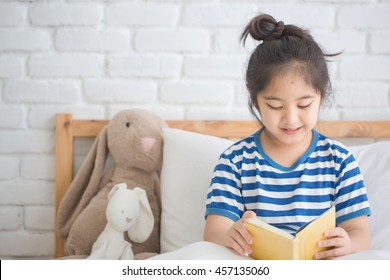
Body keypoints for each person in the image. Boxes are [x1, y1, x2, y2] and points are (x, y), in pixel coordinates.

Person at [203, 13, 371, 260]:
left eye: (304, 105)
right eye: (275, 106)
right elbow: (214, 229)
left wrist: (347, 243)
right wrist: (230, 234)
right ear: (256, 102)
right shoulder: (235, 161)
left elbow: (361, 234)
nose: (291, 119)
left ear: (321, 99)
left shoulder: (340, 161)